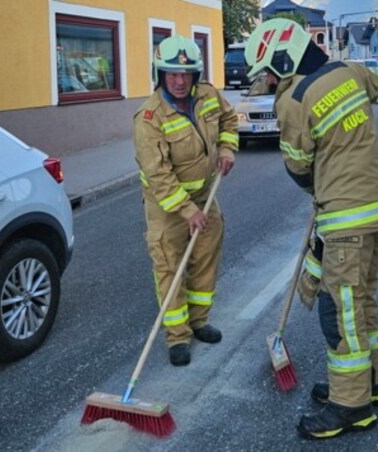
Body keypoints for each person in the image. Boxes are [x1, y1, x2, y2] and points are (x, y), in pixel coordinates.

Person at [245, 18, 378, 440]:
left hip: (347, 217)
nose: (271, 80)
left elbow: (298, 165)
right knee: (362, 299)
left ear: (284, 58)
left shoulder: (294, 99)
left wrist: (322, 188)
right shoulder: (349, 71)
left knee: (340, 309)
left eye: (271, 71)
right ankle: (368, 384)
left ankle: (351, 407)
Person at [132, 35, 238, 366]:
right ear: (160, 74)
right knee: (170, 266)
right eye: (172, 74)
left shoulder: (207, 94)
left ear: (195, 75)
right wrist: (187, 210)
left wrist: (226, 148)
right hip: (167, 207)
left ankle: (199, 321)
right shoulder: (149, 119)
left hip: (204, 195)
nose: (180, 81)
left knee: (205, 255)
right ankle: (177, 336)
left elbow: (229, 120)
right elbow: (159, 176)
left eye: (187, 74)